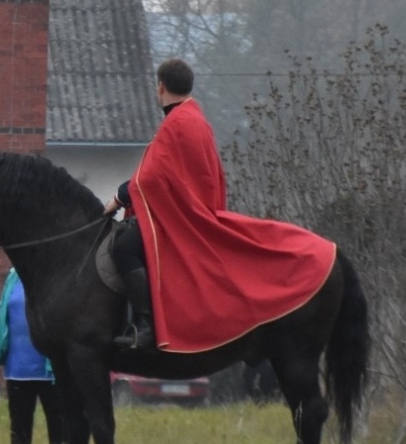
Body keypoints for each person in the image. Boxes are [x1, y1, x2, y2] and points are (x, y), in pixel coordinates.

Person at [102, 58, 335, 353]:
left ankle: (146, 327)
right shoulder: (195, 119)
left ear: (160, 87)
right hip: (182, 210)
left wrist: (119, 198)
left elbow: (150, 178)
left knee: (123, 246)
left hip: (180, 218)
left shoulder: (178, 124)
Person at [0, 267, 65, 444]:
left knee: (60, 426)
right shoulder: (13, 276)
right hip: (17, 366)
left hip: (49, 367)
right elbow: (2, 316)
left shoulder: (54, 273)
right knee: (19, 424)